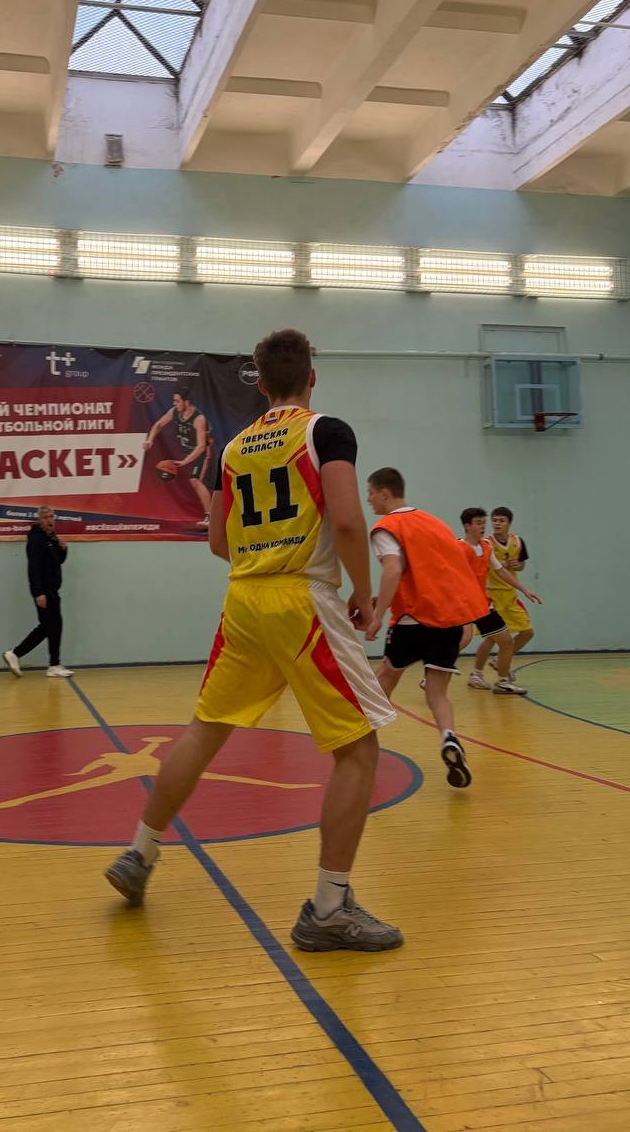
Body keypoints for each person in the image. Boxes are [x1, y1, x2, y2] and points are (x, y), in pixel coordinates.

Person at [106, 328, 402, 954]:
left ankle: (139, 851)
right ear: (311, 377)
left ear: (261, 385)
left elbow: (218, 541)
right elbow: (349, 520)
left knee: (204, 730)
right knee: (357, 750)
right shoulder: (326, 432)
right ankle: (328, 908)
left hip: (244, 600)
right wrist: (362, 591)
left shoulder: (235, 447)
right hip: (303, 600)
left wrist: (261, 557)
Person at [365, 469, 489, 789]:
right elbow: (449, 570)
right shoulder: (435, 523)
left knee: (385, 677)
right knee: (437, 693)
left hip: (412, 620)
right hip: (448, 621)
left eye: (370, 492)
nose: (368, 499)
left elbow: (393, 570)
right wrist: (465, 619)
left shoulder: (386, 528)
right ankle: (449, 737)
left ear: (384, 493)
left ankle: (361, 747)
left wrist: (377, 615)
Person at [459, 507, 541, 693]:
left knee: (517, 636)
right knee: (468, 639)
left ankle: (501, 677)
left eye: (484, 523)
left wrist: (524, 589)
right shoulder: (463, 546)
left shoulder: (490, 546)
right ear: (467, 526)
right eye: (492, 521)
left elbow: (502, 570)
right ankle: (472, 673)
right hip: (479, 598)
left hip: (496, 599)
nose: (492, 525)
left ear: (509, 523)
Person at [3, 506, 73, 678]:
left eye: (51, 516)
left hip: (52, 589)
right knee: (51, 626)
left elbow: (58, 561)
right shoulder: (36, 539)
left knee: (50, 627)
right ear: (40, 520)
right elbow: (33, 568)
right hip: (44, 591)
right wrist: (38, 593)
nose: (50, 520)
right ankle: (21, 655)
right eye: (46, 517)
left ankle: (24, 656)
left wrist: (63, 549)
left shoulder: (51, 537)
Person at [144, 386, 215, 527]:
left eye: (177, 401)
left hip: (202, 453)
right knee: (197, 482)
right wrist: (150, 440)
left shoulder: (198, 419)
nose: (174, 403)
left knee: (195, 481)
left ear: (186, 402)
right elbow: (158, 424)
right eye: (174, 401)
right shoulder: (174, 412)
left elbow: (201, 447)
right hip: (189, 451)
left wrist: (184, 462)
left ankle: (211, 518)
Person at [478, 506, 536, 678]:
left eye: (501, 520)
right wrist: (500, 565)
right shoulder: (486, 543)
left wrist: (518, 565)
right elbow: (481, 566)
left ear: (509, 523)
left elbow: (522, 564)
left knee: (527, 632)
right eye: (494, 520)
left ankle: (499, 662)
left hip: (510, 595)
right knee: (491, 638)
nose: (497, 523)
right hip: (492, 595)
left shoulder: (517, 542)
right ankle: (477, 673)